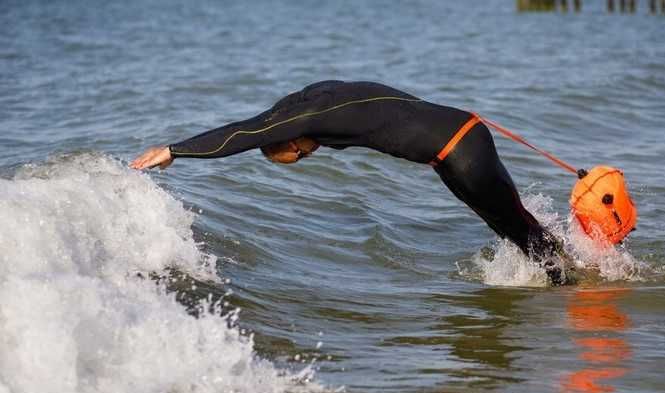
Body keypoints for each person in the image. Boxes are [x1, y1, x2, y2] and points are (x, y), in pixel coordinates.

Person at [131, 80, 569, 284]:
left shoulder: (311, 117)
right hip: (453, 150)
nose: (308, 154)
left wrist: (176, 150)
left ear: (293, 139)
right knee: (512, 229)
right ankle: (574, 270)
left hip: (461, 148)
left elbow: (247, 132)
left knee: (519, 229)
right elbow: (268, 120)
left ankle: (576, 288)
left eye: (299, 155)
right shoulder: (319, 96)